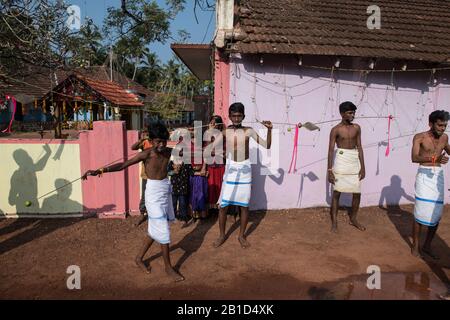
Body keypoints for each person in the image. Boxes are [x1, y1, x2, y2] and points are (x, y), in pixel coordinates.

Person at [82, 122, 184, 282]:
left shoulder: (169, 152)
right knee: (163, 230)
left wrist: (180, 158)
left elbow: (182, 156)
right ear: (150, 140)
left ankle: (139, 258)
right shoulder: (147, 154)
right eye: (157, 141)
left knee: (155, 229)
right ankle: (168, 267)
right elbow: (123, 165)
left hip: (165, 191)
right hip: (152, 194)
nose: (161, 145)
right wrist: (100, 170)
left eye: (164, 141)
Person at [211, 102, 272, 248]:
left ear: (243, 116)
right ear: (230, 117)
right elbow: (213, 149)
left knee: (244, 206)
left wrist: (269, 130)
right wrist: (213, 132)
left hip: (244, 169)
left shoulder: (249, 131)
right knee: (223, 206)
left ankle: (241, 236)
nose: (237, 118)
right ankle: (221, 235)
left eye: (239, 116)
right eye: (234, 116)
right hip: (231, 168)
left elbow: (267, 145)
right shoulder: (225, 132)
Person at [411, 110, 449, 259]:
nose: (442, 128)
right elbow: (414, 158)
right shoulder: (420, 137)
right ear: (431, 124)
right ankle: (415, 246)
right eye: (440, 125)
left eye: (445, 125)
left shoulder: (445, 138)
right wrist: (434, 160)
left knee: (436, 213)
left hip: (438, 177)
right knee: (420, 211)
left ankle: (427, 245)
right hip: (424, 176)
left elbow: (448, 151)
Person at [327, 101, 366, 233]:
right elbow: (331, 150)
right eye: (350, 113)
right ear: (342, 114)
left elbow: (360, 147)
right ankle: (334, 221)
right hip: (341, 160)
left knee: (356, 192)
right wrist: (329, 170)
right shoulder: (336, 130)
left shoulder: (357, 128)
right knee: (337, 192)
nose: (352, 115)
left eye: (353, 112)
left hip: (354, 160)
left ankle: (354, 218)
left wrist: (363, 167)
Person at [131, 129, 152, 227]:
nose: (147, 135)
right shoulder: (144, 143)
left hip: (156, 176)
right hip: (146, 175)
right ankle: (142, 213)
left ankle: (152, 214)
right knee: (144, 195)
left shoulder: (157, 142)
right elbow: (133, 147)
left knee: (154, 196)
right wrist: (141, 140)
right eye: (145, 134)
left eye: (148, 134)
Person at [206, 115, 226, 215]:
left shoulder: (223, 134)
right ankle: (212, 210)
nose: (214, 125)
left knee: (221, 186)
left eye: (216, 123)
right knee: (212, 187)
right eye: (212, 123)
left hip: (221, 165)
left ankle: (221, 209)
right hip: (211, 165)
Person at [168, 159, 192, 223]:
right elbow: (168, 173)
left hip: (183, 186)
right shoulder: (172, 162)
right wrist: (174, 171)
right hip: (174, 186)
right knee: (173, 202)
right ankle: (173, 217)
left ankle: (183, 218)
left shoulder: (187, 163)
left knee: (183, 203)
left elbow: (191, 172)